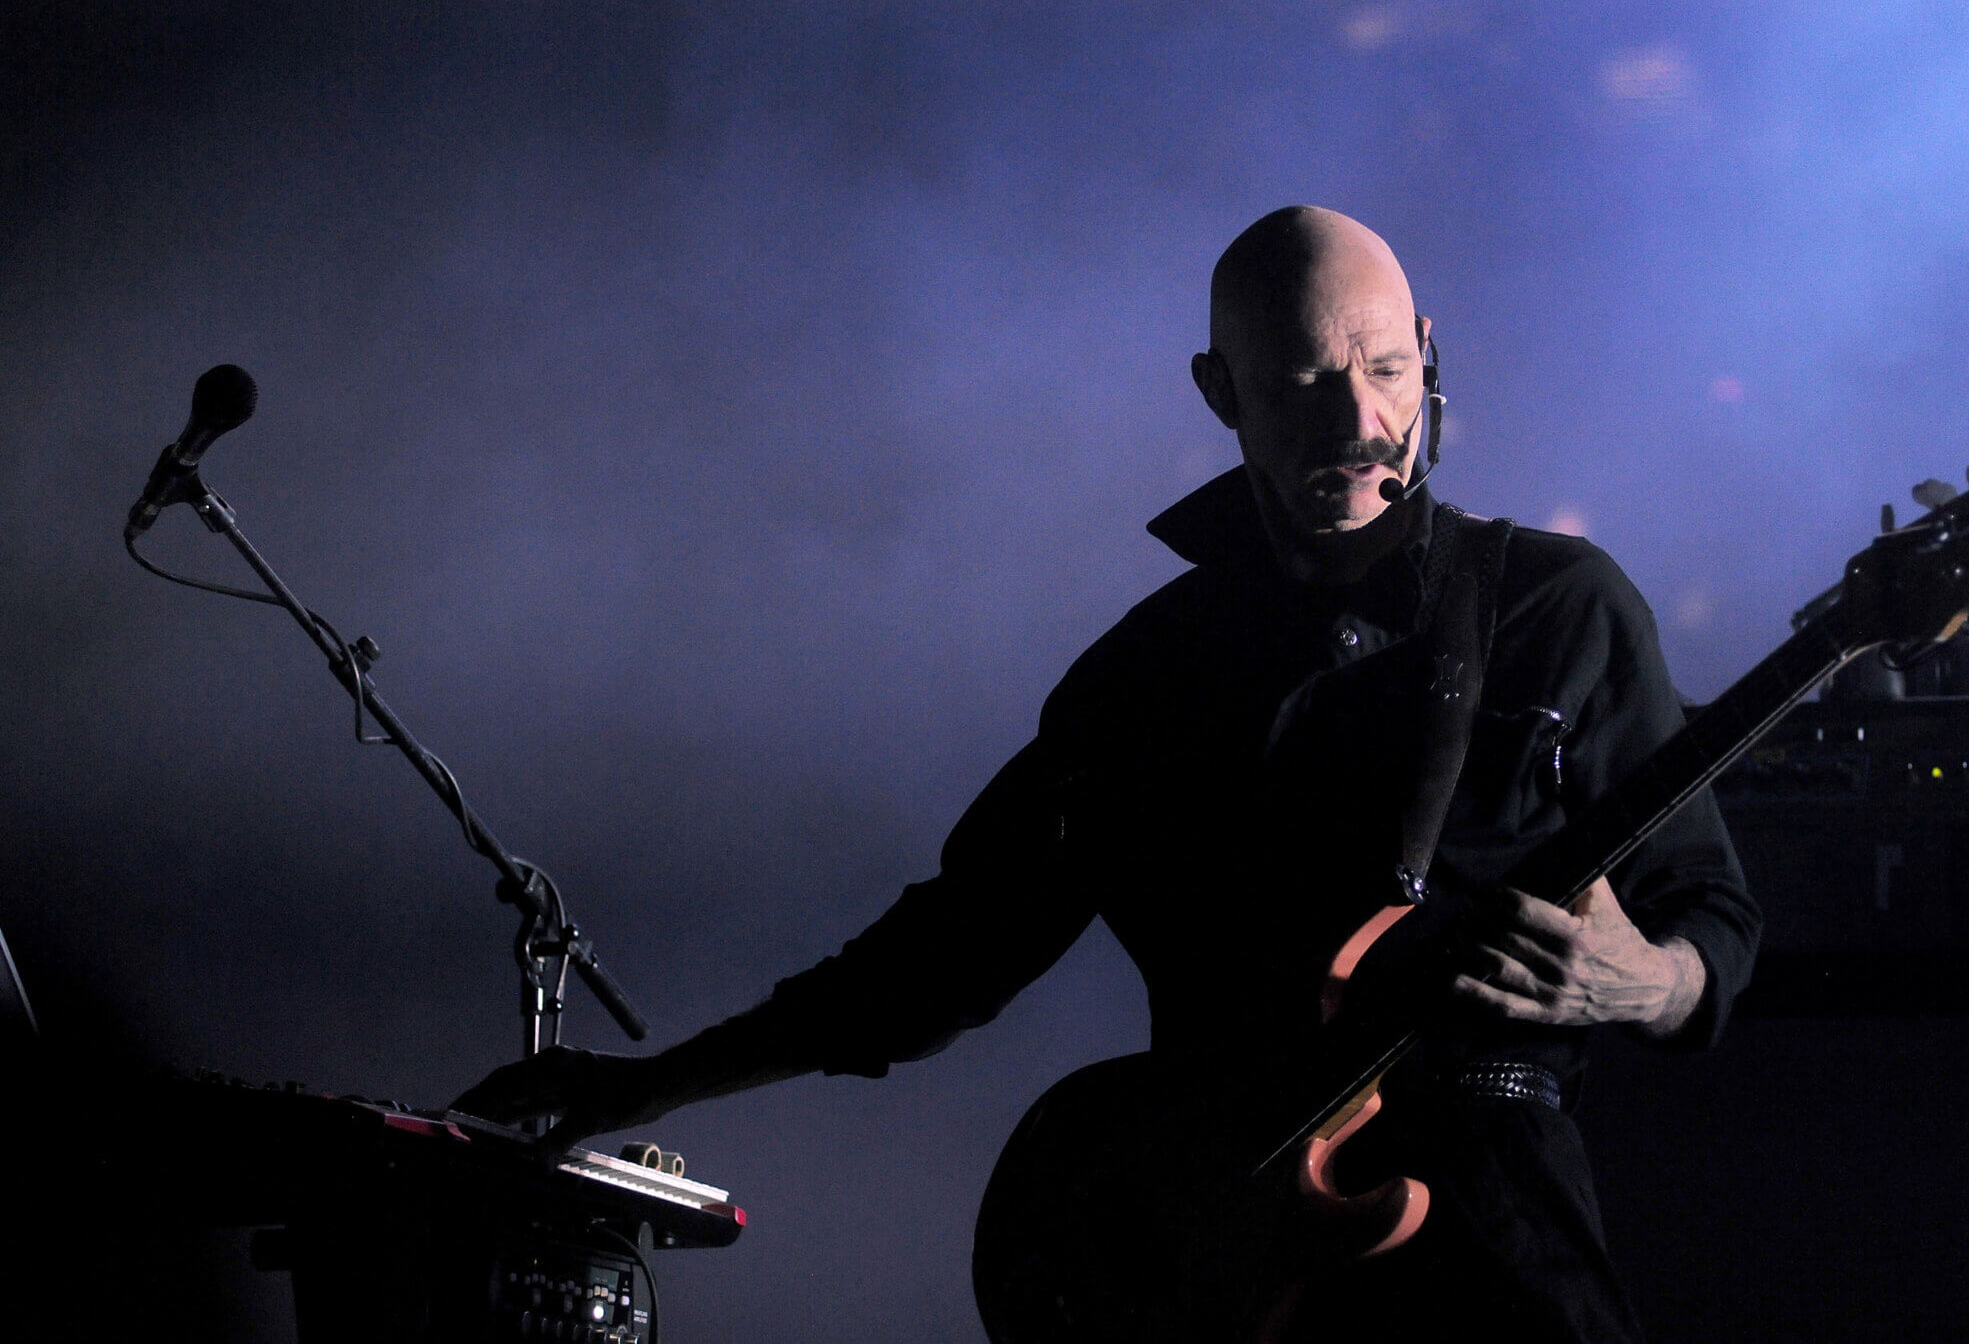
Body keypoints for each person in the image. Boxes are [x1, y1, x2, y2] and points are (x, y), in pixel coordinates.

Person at [456, 205, 1758, 1342]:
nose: (1362, 422)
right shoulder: (1147, 677)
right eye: (1308, 382)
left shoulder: (1558, 608)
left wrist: (1647, 982)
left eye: (1385, 368)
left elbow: (1712, 907)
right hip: (1205, 1259)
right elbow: (940, 957)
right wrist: (644, 1084)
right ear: (1219, 390)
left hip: (1493, 1234)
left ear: (1430, 348)